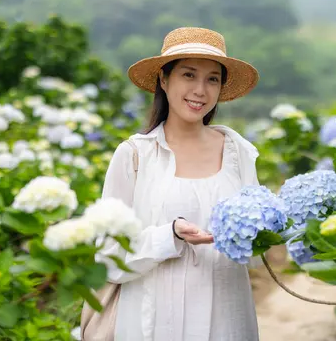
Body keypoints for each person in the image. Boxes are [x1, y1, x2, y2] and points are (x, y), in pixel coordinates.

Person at [95, 27, 263, 341]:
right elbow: (109, 257)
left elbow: (254, 255)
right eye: (188, 75)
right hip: (154, 321)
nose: (200, 90)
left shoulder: (238, 153)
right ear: (163, 78)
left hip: (227, 318)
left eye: (213, 79)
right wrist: (169, 235)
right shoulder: (135, 156)